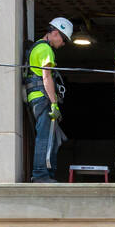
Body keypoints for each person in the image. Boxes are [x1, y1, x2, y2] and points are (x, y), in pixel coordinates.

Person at [24, 17, 73, 182]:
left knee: (49, 137)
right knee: (44, 137)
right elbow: (46, 78)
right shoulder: (45, 50)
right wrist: (53, 103)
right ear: (55, 33)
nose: (64, 43)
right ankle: (40, 175)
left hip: (36, 97)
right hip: (42, 98)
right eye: (64, 39)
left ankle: (47, 174)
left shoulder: (37, 46)